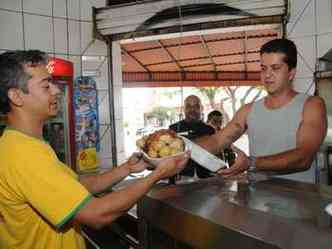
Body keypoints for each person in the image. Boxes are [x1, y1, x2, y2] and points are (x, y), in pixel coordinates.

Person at [0, 50, 188, 249]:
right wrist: (157, 174)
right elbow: (97, 214)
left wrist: (127, 169)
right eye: (46, 85)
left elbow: (78, 185)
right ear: (16, 96)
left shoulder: (25, 143)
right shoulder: (24, 155)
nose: (56, 90)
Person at [198, 38, 327, 182]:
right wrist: (179, 145)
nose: (267, 75)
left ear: (291, 73)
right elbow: (216, 141)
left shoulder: (312, 105)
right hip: (257, 200)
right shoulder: (248, 110)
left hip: (299, 201)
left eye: (275, 68)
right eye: (263, 68)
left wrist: (251, 163)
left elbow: (304, 157)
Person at [169, 95, 215, 178]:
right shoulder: (173, 129)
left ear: (201, 108)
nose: (192, 109)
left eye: (196, 106)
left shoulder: (210, 130)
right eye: (188, 106)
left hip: (205, 179)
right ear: (184, 109)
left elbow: (216, 154)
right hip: (180, 178)